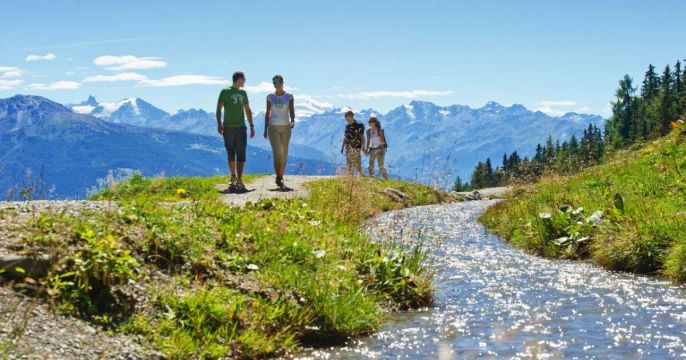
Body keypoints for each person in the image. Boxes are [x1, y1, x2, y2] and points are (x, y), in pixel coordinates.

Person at [216, 71, 255, 192]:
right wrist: (219, 123)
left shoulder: (243, 93)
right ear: (239, 79)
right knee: (230, 152)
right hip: (228, 127)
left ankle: (239, 179)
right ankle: (233, 176)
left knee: (241, 153)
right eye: (244, 79)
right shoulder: (225, 92)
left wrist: (251, 125)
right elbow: (218, 109)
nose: (245, 81)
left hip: (241, 127)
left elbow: (248, 110)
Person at [263, 74, 295, 189]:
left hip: (286, 127)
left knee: (284, 152)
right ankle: (278, 176)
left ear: (282, 82)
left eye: (278, 82)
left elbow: (291, 109)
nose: (277, 84)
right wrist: (265, 129)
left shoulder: (289, 96)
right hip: (273, 127)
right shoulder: (270, 97)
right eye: (274, 83)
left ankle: (281, 175)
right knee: (277, 152)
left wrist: (293, 120)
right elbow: (268, 113)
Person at [340, 110, 365, 176]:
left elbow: (362, 136)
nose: (345, 119)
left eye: (346, 117)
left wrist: (363, 146)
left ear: (350, 116)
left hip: (356, 146)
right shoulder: (347, 127)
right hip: (348, 146)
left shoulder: (359, 125)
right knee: (349, 161)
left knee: (357, 161)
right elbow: (345, 137)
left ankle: (361, 174)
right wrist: (342, 147)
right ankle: (350, 174)